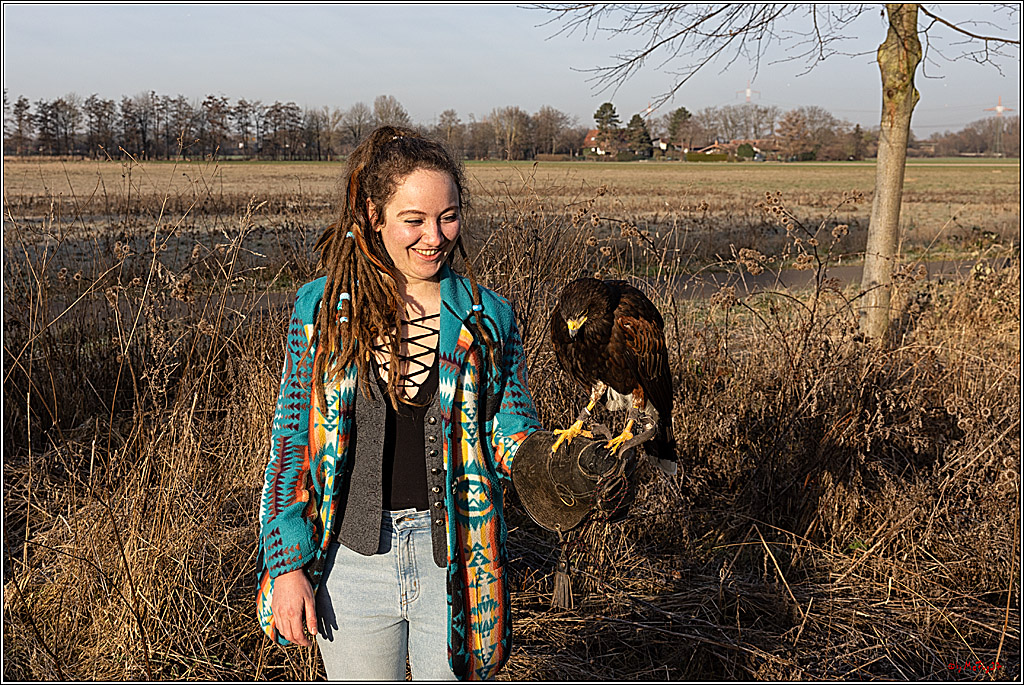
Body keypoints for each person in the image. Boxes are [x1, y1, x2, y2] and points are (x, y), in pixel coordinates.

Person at [256, 126, 541, 681]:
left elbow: (511, 429)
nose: (434, 237)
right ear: (372, 215)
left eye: (449, 216)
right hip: (352, 563)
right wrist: (287, 562)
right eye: (414, 220)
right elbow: (292, 444)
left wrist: (555, 465)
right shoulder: (320, 309)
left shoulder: (490, 318)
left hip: (458, 565)